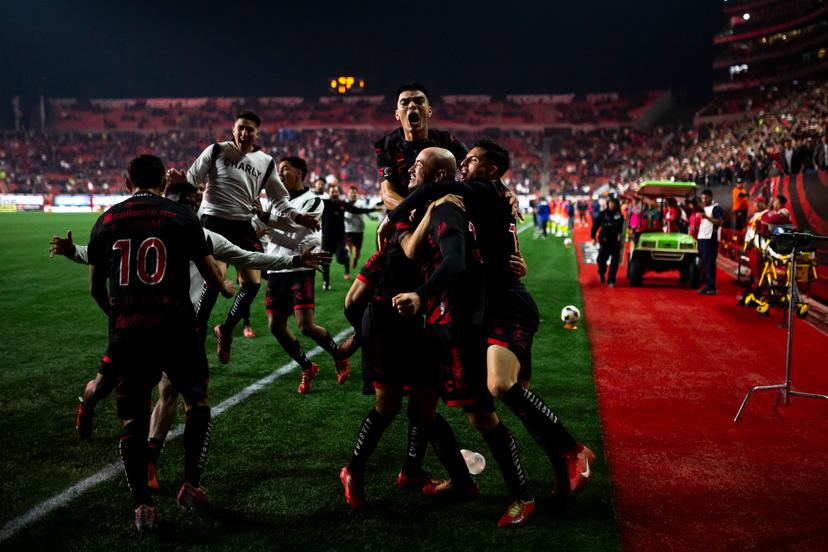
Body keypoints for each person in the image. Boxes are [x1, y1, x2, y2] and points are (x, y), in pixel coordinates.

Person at [53, 180, 330, 489]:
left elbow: (248, 257)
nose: (187, 207)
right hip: (135, 326)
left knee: (169, 389)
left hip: (179, 329)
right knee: (102, 385)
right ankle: (88, 404)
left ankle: (149, 460)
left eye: (192, 202)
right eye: (182, 201)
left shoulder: (203, 235)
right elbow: (100, 251)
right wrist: (71, 251)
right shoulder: (152, 230)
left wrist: (293, 260)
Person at [390, 143, 594, 527]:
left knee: (496, 391)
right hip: (476, 311)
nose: (465, 162)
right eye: (462, 159)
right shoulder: (483, 196)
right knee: (474, 405)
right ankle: (552, 468)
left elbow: (443, 236)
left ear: (492, 168)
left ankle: (567, 454)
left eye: (472, 159)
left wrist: (395, 217)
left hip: (495, 308)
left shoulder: (474, 193)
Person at [86, 155, 232, 531]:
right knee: (195, 401)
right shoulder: (183, 217)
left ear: (126, 180)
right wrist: (223, 286)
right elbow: (209, 274)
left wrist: (117, 316)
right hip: (177, 328)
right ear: (161, 181)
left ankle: (143, 507)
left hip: (128, 331)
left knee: (134, 415)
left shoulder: (106, 220)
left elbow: (94, 288)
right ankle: (191, 485)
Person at [340, 149, 476, 511]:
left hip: (424, 322)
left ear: (435, 177)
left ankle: (452, 481)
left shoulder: (451, 208)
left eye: (416, 167)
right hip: (388, 324)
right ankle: (352, 470)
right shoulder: (407, 216)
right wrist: (362, 337)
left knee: (425, 410)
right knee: (387, 407)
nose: (409, 172)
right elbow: (408, 253)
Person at [167, 110, 319, 366]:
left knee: (252, 283)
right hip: (213, 222)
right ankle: (195, 339)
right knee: (213, 281)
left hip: (242, 225)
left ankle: (225, 330)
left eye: (249, 129)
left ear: (257, 133)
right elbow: (192, 179)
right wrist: (180, 180)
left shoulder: (266, 161)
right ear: (233, 130)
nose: (244, 133)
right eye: (240, 128)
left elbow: (279, 198)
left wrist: (299, 217)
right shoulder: (216, 150)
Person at [265, 156, 351, 392]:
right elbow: (265, 232)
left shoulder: (313, 201)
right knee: (275, 326)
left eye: (284, 170)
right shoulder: (274, 201)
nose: (280, 174)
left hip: (301, 269)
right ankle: (306, 366)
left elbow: (298, 230)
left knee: (305, 326)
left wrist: (269, 224)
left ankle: (338, 355)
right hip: (276, 267)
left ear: (300, 173)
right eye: (278, 171)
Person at [321, 182, 379, 290]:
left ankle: (346, 259)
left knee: (340, 259)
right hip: (327, 238)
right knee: (325, 262)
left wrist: (374, 209)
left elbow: (358, 210)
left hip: (340, 238)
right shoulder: (324, 203)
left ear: (338, 192)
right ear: (328, 192)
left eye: (336, 190)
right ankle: (326, 282)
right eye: (332, 191)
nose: (334, 192)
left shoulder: (342, 204)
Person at [591, 196, 625, 287]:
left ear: (616, 204)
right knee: (600, 260)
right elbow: (595, 226)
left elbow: (623, 229)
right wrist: (593, 237)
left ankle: (611, 280)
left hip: (615, 242)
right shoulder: (602, 214)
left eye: (614, 203)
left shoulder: (620, 216)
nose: (612, 205)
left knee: (614, 262)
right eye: (610, 202)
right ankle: (601, 273)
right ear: (607, 203)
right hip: (604, 241)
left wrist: (622, 237)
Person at [344, 186, 375, 278]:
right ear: (348, 194)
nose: (353, 194)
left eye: (354, 192)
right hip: (348, 231)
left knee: (357, 252)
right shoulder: (344, 204)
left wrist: (373, 217)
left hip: (359, 231)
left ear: (357, 194)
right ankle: (347, 272)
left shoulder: (361, 203)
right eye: (351, 192)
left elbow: (367, 212)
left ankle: (355, 258)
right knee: (347, 251)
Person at [697, 188, 723, 295]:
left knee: (710, 263)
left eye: (706, 198)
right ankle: (708, 285)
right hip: (703, 237)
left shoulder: (716, 208)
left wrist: (707, 217)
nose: (704, 200)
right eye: (703, 198)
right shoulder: (705, 209)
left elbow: (720, 222)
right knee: (705, 263)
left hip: (710, 238)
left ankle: (711, 287)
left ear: (711, 197)